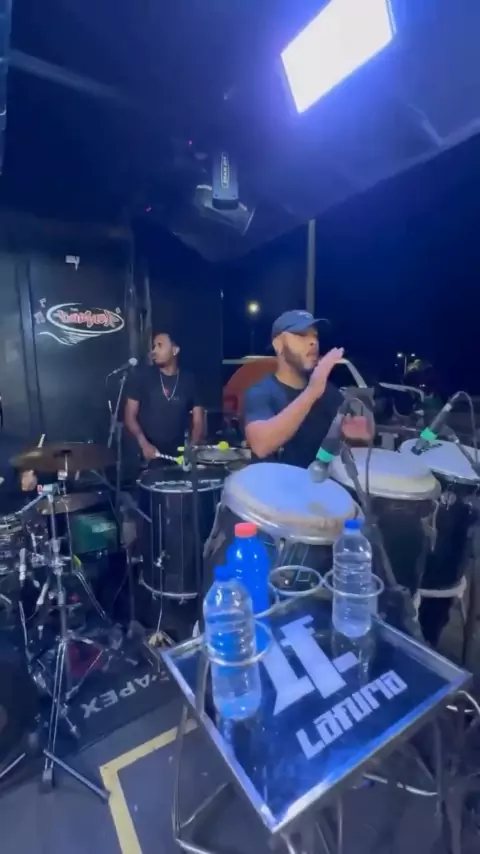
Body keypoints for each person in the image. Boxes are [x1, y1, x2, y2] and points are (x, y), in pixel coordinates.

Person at [243, 311, 371, 467]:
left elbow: (344, 448)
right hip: (276, 481)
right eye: (301, 335)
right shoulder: (260, 392)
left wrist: (356, 438)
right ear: (278, 345)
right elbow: (261, 445)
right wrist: (312, 391)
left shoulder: (329, 393)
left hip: (319, 480)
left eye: (315, 336)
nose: (313, 342)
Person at [124, 331, 204, 461]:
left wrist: (193, 446)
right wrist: (144, 444)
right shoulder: (142, 377)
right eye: (154, 346)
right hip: (147, 455)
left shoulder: (189, 381)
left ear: (175, 350)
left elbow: (198, 420)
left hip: (178, 455)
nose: (154, 351)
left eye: (160, 345)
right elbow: (129, 416)